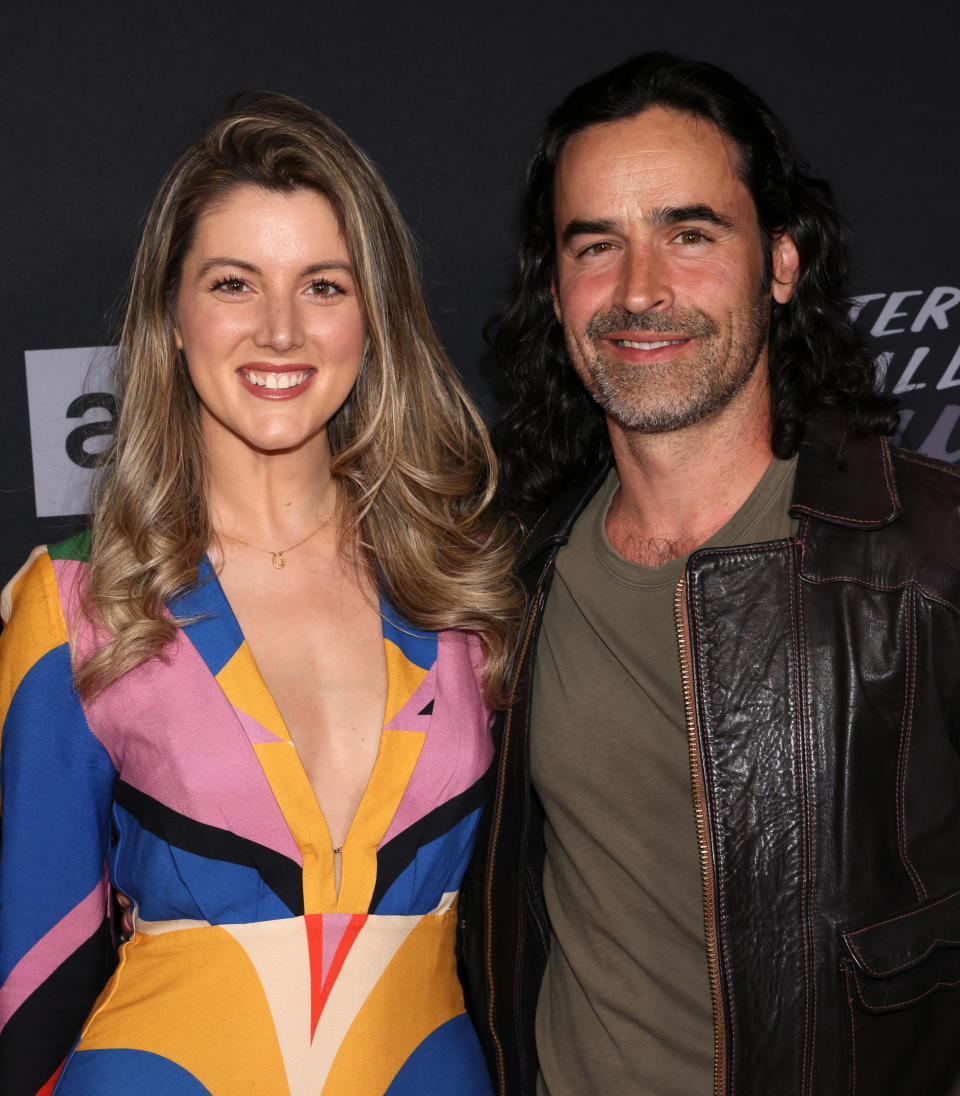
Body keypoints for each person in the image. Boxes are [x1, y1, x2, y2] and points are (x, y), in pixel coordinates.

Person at [0, 92, 521, 1095]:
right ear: (173, 315)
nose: (280, 330)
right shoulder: (77, 601)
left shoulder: (467, 586)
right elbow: (31, 988)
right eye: (234, 283)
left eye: (323, 285)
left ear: (374, 315)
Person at [461, 52, 960, 1095]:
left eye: (690, 234)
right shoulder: (513, 570)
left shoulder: (928, 558)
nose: (641, 291)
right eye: (597, 245)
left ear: (781, 264)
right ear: (556, 290)